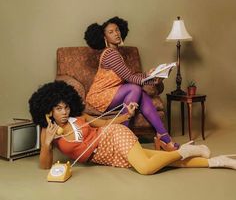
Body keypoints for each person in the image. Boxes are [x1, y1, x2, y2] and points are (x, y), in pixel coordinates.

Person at [28, 81, 236, 174]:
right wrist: (46, 144)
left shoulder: (79, 116)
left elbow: (105, 124)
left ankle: (186, 150)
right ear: (48, 111)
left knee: (146, 168)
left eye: (66, 107)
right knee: (161, 162)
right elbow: (45, 167)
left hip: (113, 136)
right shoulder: (49, 132)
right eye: (58, 108)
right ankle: (220, 162)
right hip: (104, 156)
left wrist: (127, 114)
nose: (64, 112)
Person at [84, 16, 177, 151]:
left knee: (141, 93)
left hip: (113, 92)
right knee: (134, 88)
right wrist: (152, 79)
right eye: (111, 32)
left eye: (117, 30)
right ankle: (124, 138)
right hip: (100, 96)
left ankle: (163, 136)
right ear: (104, 37)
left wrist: (148, 74)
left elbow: (128, 75)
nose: (116, 33)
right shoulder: (111, 54)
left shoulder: (116, 52)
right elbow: (129, 78)